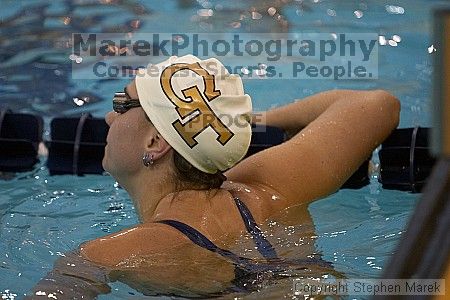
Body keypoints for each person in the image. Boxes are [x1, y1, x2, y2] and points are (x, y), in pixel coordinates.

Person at [29, 55, 400, 298]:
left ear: (156, 141)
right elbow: (375, 105)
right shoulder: (269, 188)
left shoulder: (110, 253)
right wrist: (247, 121)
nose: (109, 118)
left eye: (122, 105)